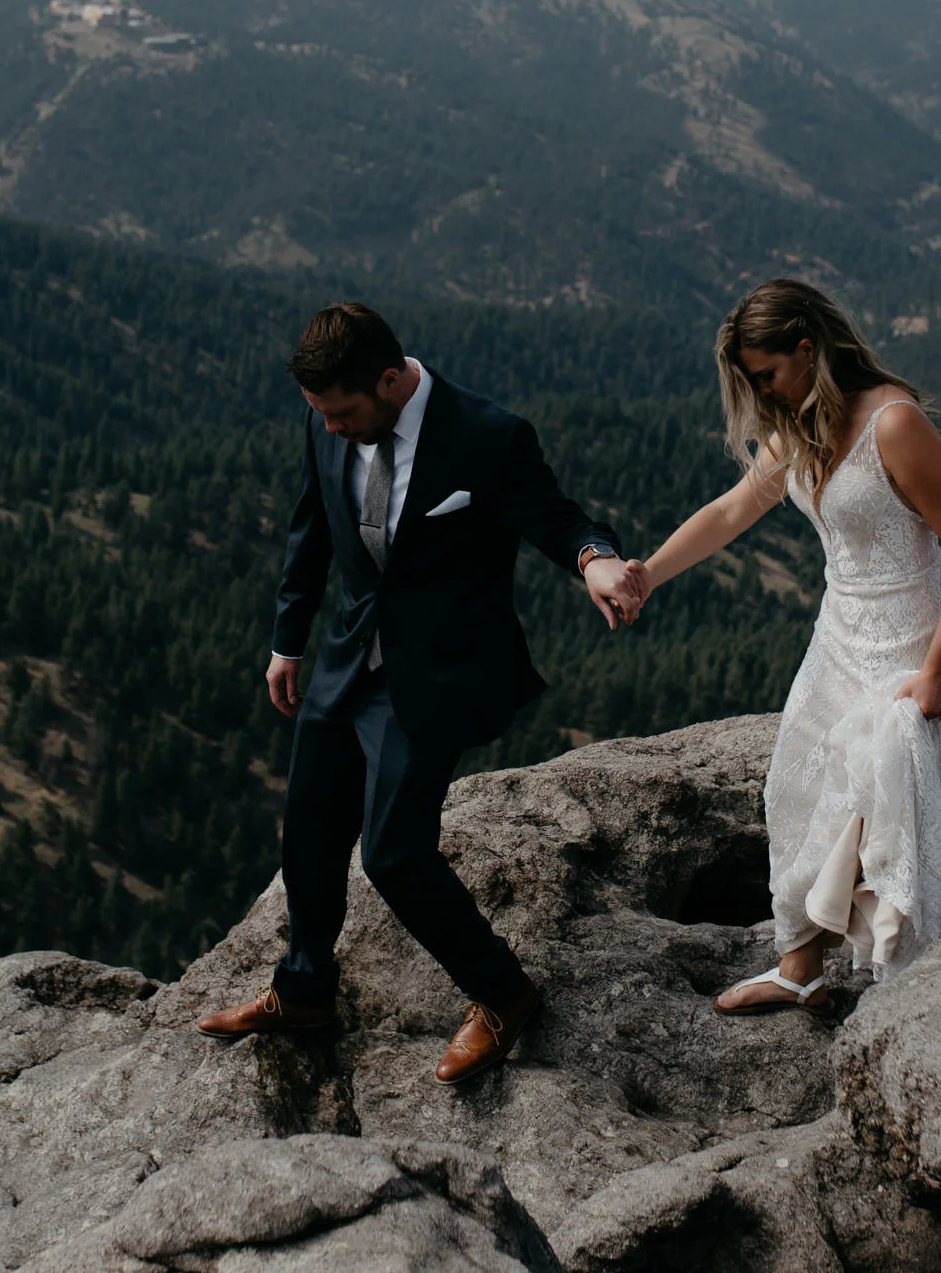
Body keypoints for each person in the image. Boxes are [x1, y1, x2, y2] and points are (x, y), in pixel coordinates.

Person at [195, 302, 644, 1082]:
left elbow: (557, 517)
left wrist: (595, 558)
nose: (330, 429)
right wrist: (286, 640)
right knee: (307, 824)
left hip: (437, 673)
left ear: (392, 380)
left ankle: (503, 993)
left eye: (342, 413)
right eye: (320, 416)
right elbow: (312, 531)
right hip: (346, 658)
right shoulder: (325, 424)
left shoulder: (486, 434)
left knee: (396, 854)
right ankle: (303, 989)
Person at [628, 279, 941, 1008]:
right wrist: (648, 575)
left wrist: (938, 676)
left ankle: (905, 985)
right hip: (838, 633)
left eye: (768, 374)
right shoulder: (798, 425)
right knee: (795, 785)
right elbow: (733, 509)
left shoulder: (894, 423)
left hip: (907, 641)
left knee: (871, 790)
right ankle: (801, 969)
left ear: (807, 347)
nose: (762, 392)